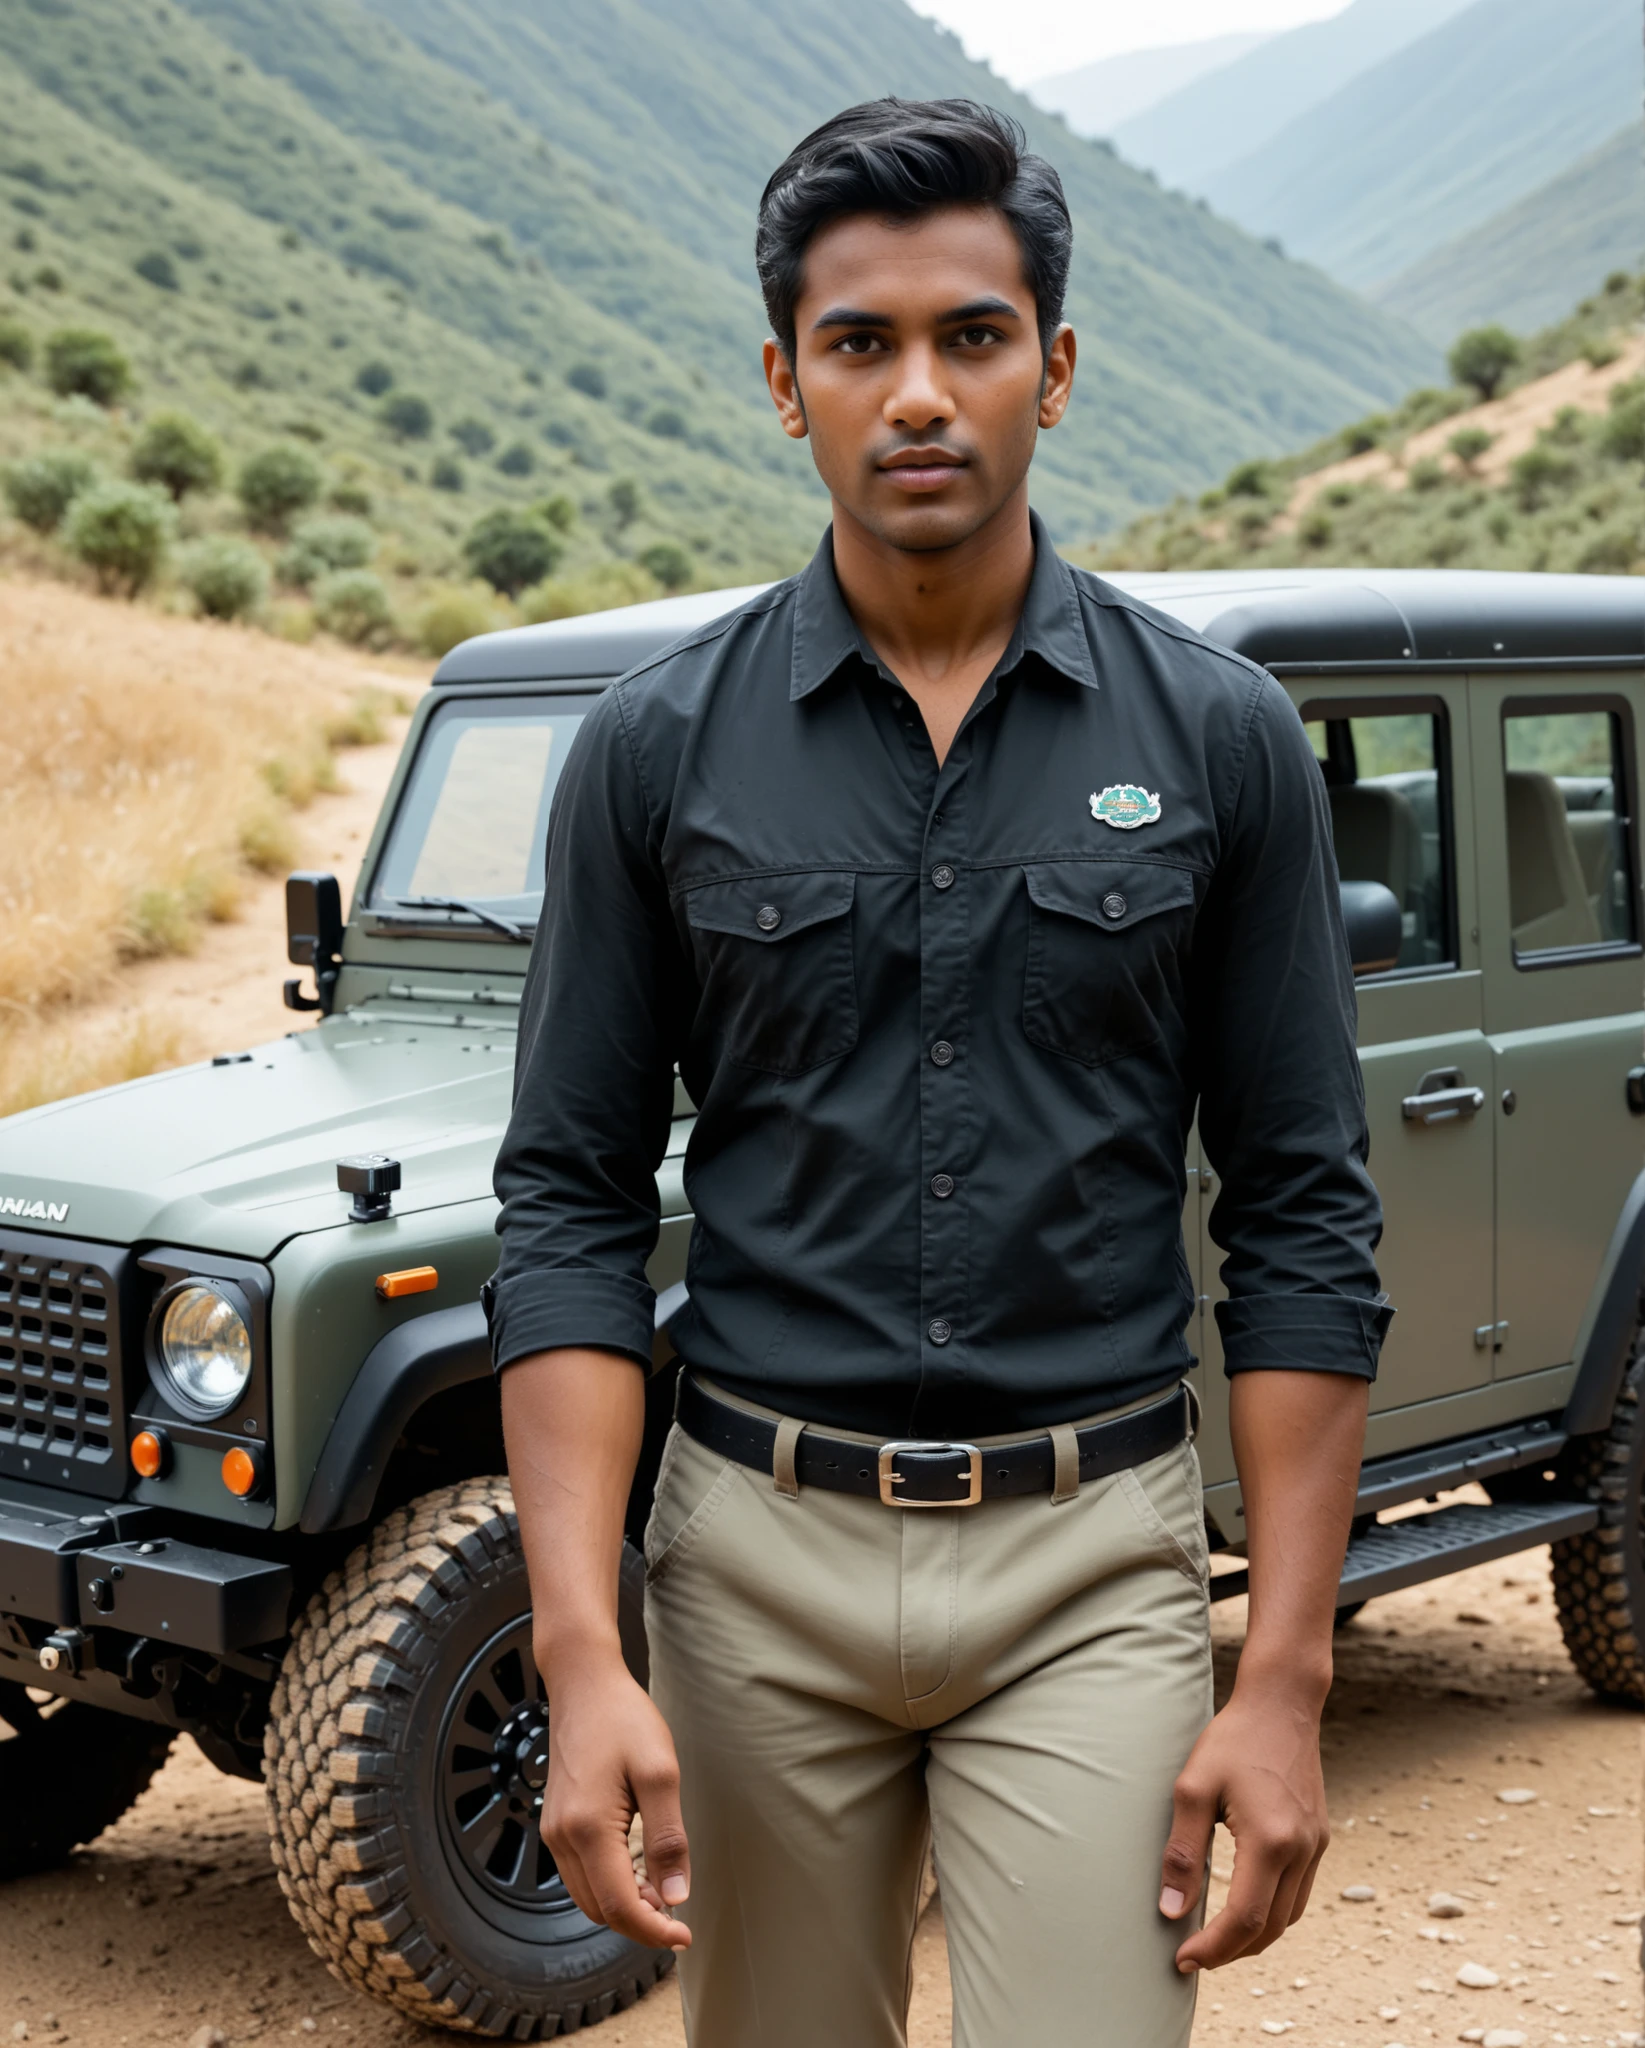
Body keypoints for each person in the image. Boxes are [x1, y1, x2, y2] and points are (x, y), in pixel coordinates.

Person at [489, 96, 1388, 2048]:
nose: (918, 394)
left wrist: (1288, 1674)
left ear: (1052, 370)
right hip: (750, 1557)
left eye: (972, 337)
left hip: (1096, 1559)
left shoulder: (1224, 741)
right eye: (860, 343)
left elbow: (1308, 1201)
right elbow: (566, 1201)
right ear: (782, 379)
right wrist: (582, 1646)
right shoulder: (654, 752)